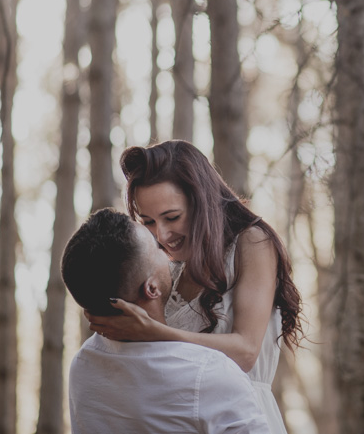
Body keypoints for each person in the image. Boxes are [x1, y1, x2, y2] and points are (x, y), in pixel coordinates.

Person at [86, 140, 303, 434]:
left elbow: (245, 351)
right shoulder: (166, 267)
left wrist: (155, 332)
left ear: (203, 200)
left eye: (172, 217)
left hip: (242, 419)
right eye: (147, 222)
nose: (161, 235)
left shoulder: (252, 242)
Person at [62, 208, 270, 434]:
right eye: (156, 248)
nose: (165, 249)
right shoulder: (207, 374)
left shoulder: (82, 366)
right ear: (151, 288)